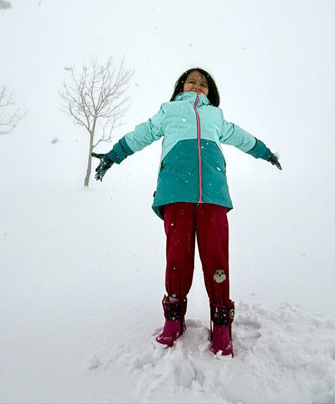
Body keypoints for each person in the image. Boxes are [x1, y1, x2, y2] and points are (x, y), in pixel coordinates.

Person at [91, 67, 281, 356]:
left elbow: (241, 137)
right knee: (177, 258)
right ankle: (174, 319)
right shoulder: (168, 112)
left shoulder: (215, 116)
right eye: (191, 81)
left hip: (213, 195)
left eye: (203, 84)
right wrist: (113, 156)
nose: (196, 86)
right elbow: (140, 135)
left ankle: (221, 326)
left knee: (217, 259)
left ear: (209, 92)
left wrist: (265, 152)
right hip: (176, 192)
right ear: (180, 86)